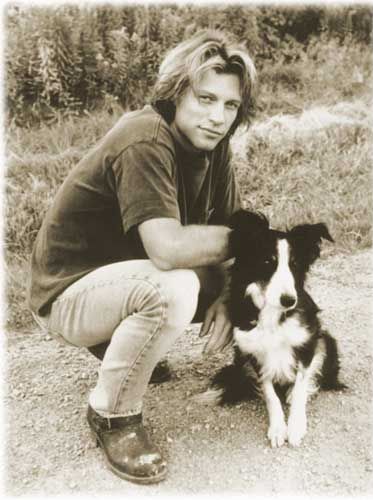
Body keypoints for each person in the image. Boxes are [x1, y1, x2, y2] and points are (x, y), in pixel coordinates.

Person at [27, 29, 257, 484]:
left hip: (117, 277)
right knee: (175, 286)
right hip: (65, 293)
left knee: (244, 278)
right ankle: (112, 416)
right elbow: (169, 249)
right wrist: (250, 241)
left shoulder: (215, 145)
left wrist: (232, 291)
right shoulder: (144, 137)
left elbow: (229, 231)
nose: (218, 117)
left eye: (230, 106)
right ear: (175, 94)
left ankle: (127, 349)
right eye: (205, 99)